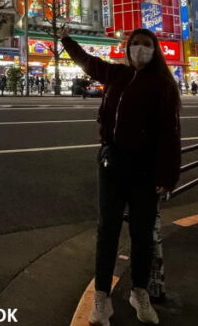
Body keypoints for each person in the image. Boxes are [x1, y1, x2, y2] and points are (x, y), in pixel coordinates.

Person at [62, 28, 181, 326]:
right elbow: (88, 62)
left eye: (146, 44)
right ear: (127, 49)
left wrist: (168, 173)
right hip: (112, 163)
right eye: (135, 44)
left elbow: (170, 134)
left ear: (156, 50)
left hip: (146, 168)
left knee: (141, 234)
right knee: (108, 231)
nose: (140, 49)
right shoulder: (116, 75)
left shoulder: (163, 84)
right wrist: (65, 40)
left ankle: (139, 292)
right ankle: (102, 297)